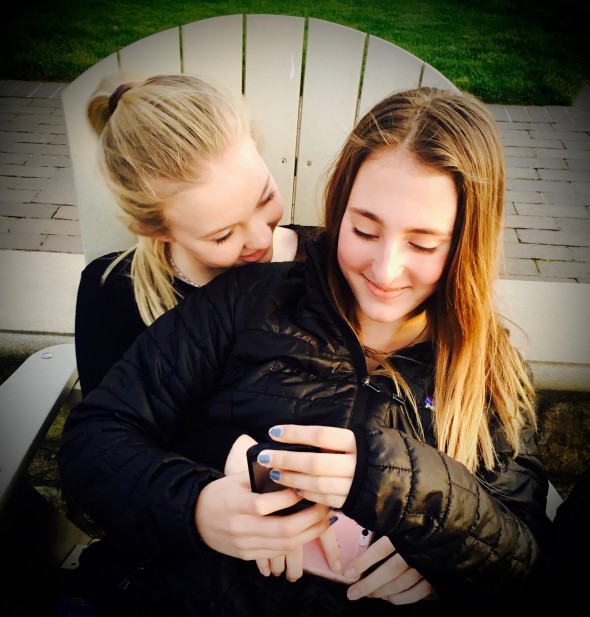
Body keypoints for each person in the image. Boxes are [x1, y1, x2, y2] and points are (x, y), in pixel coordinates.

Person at [58, 86, 551, 616]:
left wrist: (434, 536)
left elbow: (520, 554)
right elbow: (96, 439)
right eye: (363, 230)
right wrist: (198, 507)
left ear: (467, 242)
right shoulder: (248, 298)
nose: (385, 270)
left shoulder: (487, 370)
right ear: (339, 210)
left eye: (423, 244)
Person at [70, 72, 428, 606]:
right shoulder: (114, 292)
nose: (259, 238)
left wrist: (426, 534)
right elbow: (113, 447)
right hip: (179, 568)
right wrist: (208, 483)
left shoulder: (331, 267)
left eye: (265, 198)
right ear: (158, 229)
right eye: (222, 234)